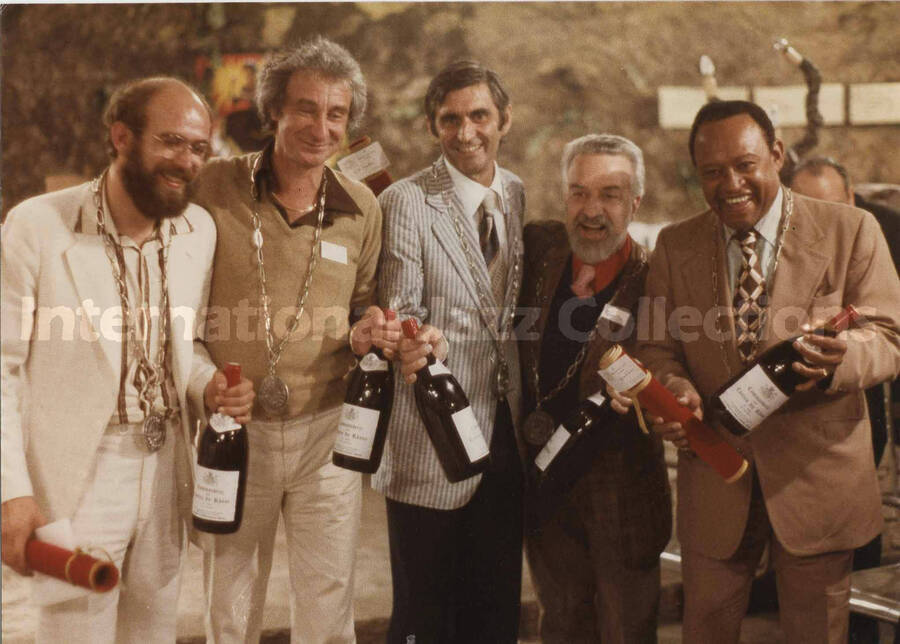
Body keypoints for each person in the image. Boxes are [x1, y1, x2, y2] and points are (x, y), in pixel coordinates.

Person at [636, 99, 900, 643]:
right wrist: (677, 389)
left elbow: (890, 337)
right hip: (715, 475)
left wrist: (843, 358)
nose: (730, 183)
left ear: (776, 155)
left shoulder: (851, 229)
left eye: (744, 164)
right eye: (712, 172)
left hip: (818, 482)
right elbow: (657, 348)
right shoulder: (674, 244)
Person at [0, 77, 253, 643]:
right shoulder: (36, 227)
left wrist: (209, 385)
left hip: (166, 473)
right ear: (121, 137)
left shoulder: (199, 230)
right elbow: (2, 369)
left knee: (154, 636)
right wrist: (12, 493)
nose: (185, 161)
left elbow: (182, 344)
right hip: (77, 477)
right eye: (170, 142)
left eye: (196, 147)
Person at [189, 36, 396, 643]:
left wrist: (366, 329)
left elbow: (364, 305)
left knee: (329, 597)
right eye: (306, 108)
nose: (321, 127)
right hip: (235, 430)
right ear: (273, 110)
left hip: (325, 431)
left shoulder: (362, 206)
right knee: (230, 600)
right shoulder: (213, 187)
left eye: (336, 114)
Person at [373, 60, 525, 643]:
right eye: (450, 120)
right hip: (430, 440)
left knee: (494, 612)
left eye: (479, 116)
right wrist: (415, 337)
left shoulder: (514, 191)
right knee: (425, 616)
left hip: (502, 441)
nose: (466, 133)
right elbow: (401, 304)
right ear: (433, 127)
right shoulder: (407, 201)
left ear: (503, 119)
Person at [519, 134, 671, 643]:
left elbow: (672, 365)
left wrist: (650, 389)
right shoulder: (541, 251)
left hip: (622, 490)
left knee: (626, 630)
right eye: (579, 192)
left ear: (635, 203)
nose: (592, 210)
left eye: (610, 194)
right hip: (545, 481)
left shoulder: (656, 280)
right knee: (559, 624)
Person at [788, 155, 900, 644]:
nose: (821, 220)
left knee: (863, 511)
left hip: (866, 389)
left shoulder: (883, 231)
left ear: (852, 201)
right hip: (802, 415)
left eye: (831, 206)